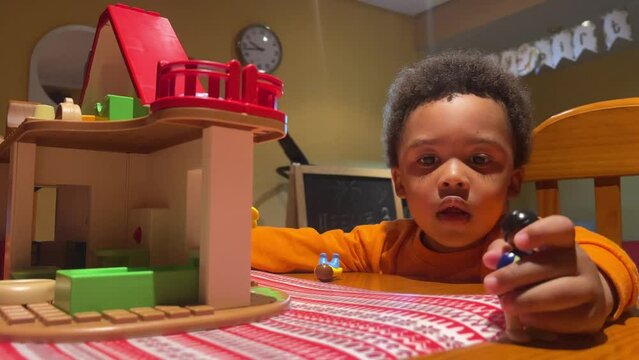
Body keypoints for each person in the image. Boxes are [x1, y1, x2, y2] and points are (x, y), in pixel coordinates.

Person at [251, 50, 639, 337]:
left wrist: (599, 290)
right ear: (399, 183)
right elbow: (296, 246)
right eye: (428, 159)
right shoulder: (382, 245)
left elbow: (601, 255)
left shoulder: (518, 249)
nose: (453, 177)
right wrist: (220, 235)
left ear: (513, 182)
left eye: (481, 159)